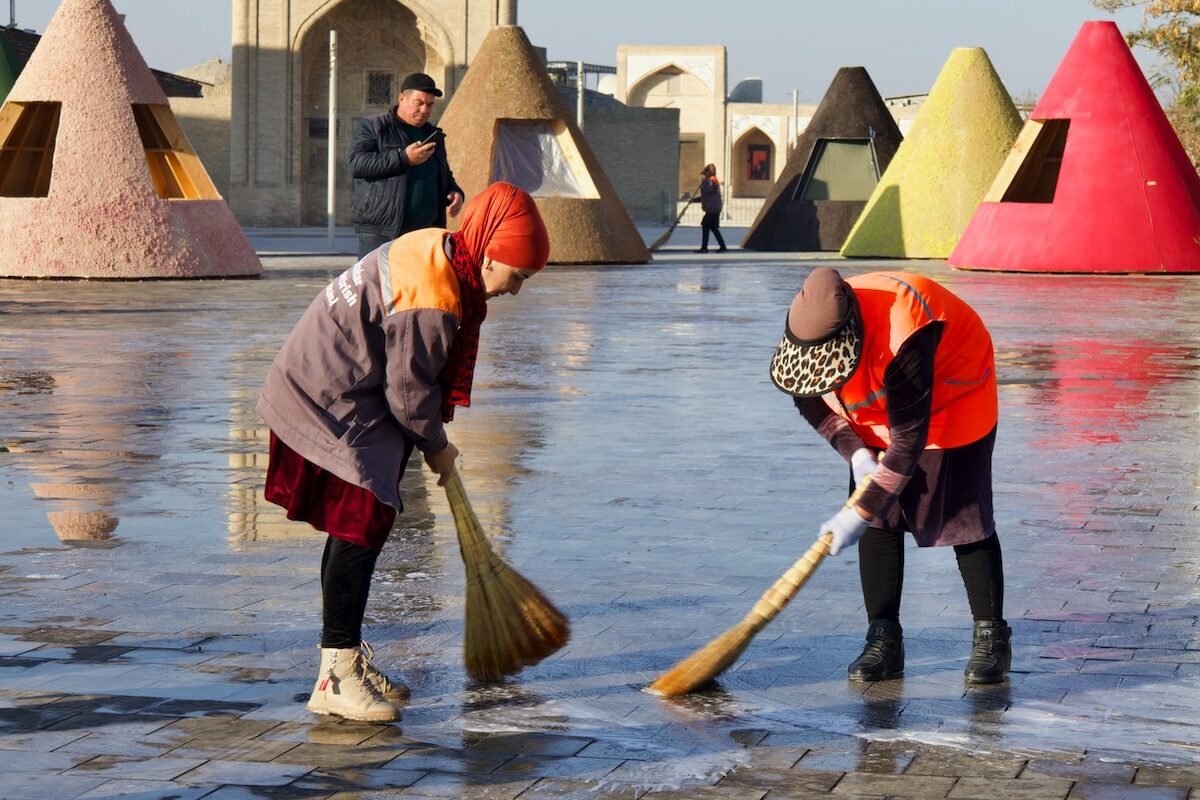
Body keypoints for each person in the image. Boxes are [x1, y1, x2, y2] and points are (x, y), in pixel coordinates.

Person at [257, 182, 551, 722]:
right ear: (490, 256)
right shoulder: (435, 298)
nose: (517, 290)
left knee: (359, 527)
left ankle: (340, 662)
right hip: (326, 396)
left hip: (336, 385)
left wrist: (428, 437)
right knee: (361, 524)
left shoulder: (443, 249)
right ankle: (336, 678)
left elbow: (408, 383)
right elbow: (409, 393)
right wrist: (436, 444)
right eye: (519, 275)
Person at [769, 267, 1009, 685]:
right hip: (875, 402)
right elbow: (806, 395)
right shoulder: (805, 323)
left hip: (953, 394)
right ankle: (884, 638)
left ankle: (992, 636)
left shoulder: (907, 330)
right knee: (880, 521)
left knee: (963, 520)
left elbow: (910, 439)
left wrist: (855, 511)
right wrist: (856, 453)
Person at [348, 72, 466, 259]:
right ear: (402, 98)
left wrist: (454, 191)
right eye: (419, 103)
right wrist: (404, 158)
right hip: (383, 231)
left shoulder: (433, 134)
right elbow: (357, 164)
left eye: (430, 104)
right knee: (379, 286)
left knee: (417, 287)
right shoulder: (375, 127)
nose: (425, 110)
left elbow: (443, 173)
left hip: (426, 233)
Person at [693, 163, 727, 253]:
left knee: (706, 226)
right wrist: (695, 200)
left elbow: (708, 190)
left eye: (705, 173)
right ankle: (722, 246)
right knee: (713, 228)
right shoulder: (709, 181)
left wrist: (703, 182)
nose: (704, 176)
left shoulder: (711, 180)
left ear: (709, 173)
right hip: (712, 208)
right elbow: (705, 196)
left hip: (713, 208)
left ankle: (705, 248)